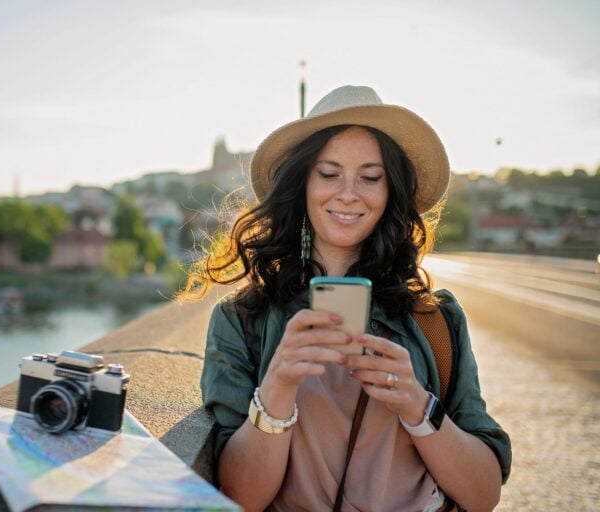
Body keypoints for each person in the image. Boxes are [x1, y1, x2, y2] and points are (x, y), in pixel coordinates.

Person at [186, 85, 511, 511]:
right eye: (329, 173)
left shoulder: (437, 319)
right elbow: (240, 498)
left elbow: (484, 495)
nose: (348, 193)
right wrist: (278, 386)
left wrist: (418, 404)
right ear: (302, 181)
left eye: (370, 177)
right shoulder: (241, 320)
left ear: (390, 190)